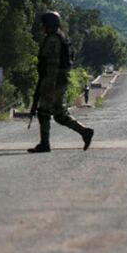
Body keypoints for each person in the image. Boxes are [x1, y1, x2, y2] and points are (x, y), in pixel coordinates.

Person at [28, 11, 94, 154]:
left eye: (44, 25)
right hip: (58, 80)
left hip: (53, 81)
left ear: (49, 25)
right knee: (59, 114)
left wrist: (48, 85)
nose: (42, 27)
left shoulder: (53, 40)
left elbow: (52, 64)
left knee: (44, 112)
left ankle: (44, 144)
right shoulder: (59, 37)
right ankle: (85, 132)